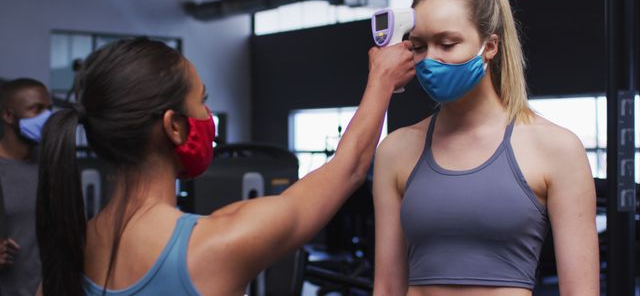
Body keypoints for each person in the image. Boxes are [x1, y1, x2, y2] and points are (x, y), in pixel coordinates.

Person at [35, 37, 415, 296]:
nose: (209, 115)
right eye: (202, 101)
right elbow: (347, 169)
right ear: (174, 126)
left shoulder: (66, 250)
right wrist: (381, 79)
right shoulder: (217, 244)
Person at [372, 0, 599, 296]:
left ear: (489, 46)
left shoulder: (556, 148)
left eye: (447, 44)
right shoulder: (395, 150)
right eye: (419, 47)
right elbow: (387, 286)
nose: (429, 60)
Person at [0, 78, 52, 296]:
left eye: (49, 109)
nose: (46, 118)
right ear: (8, 116)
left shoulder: (52, 165)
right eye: (36, 110)